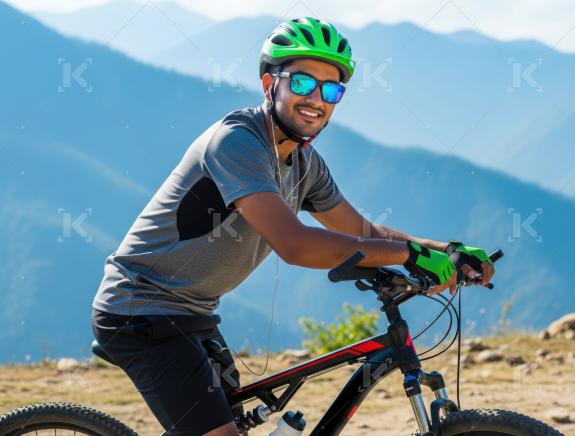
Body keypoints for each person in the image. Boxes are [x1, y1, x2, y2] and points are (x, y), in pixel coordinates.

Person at [91, 17, 495, 435]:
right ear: (270, 85)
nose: (317, 99)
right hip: (139, 310)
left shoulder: (305, 165)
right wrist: (409, 256)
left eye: (332, 89)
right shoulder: (237, 142)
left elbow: (363, 230)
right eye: (302, 83)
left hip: (193, 312)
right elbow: (295, 244)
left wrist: (446, 249)